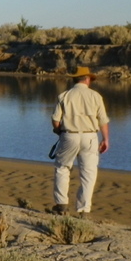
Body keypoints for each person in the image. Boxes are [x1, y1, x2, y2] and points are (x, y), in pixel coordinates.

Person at [50, 66, 110, 217]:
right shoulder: (96, 96)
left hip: (69, 135)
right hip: (90, 137)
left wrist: (59, 131)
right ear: (87, 79)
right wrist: (106, 139)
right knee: (88, 174)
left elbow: (55, 120)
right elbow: (103, 120)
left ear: (74, 79)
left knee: (62, 168)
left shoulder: (65, 95)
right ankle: (84, 210)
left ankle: (62, 205)